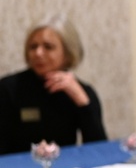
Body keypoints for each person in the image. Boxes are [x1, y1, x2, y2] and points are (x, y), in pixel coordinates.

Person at [0, 15, 107, 155]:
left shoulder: (81, 91)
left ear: (68, 53)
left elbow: (99, 151)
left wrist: (83, 103)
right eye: (33, 47)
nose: (38, 53)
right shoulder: (8, 89)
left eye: (48, 47)